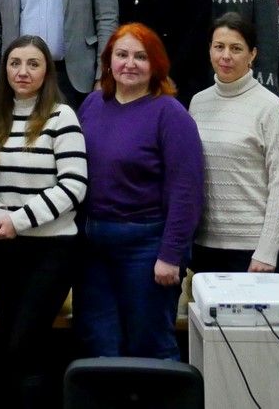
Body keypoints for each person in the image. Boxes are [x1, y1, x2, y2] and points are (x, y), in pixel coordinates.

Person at [75, 23, 203, 359]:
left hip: (146, 248)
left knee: (150, 345)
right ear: (108, 61)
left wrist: (171, 255)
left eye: (140, 57)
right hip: (92, 247)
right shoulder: (92, 105)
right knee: (99, 346)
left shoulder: (171, 114)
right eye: (122, 55)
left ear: (156, 64)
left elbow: (186, 192)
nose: (129, 64)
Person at [0, 35, 87, 406]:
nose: (23, 72)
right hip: (3, 248)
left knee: (23, 342)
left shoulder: (62, 116)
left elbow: (74, 185)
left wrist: (19, 220)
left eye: (33, 64)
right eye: (15, 63)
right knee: (14, 340)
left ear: (47, 72)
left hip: (52, 250)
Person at [189, 14, 279, 274]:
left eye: (236, 48)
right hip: (204, 245)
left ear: (252, 55)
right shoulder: (198, 103)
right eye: (219, 47)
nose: (226, 56)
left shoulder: (271, 108)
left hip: (254, 252)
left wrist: (267, 251)